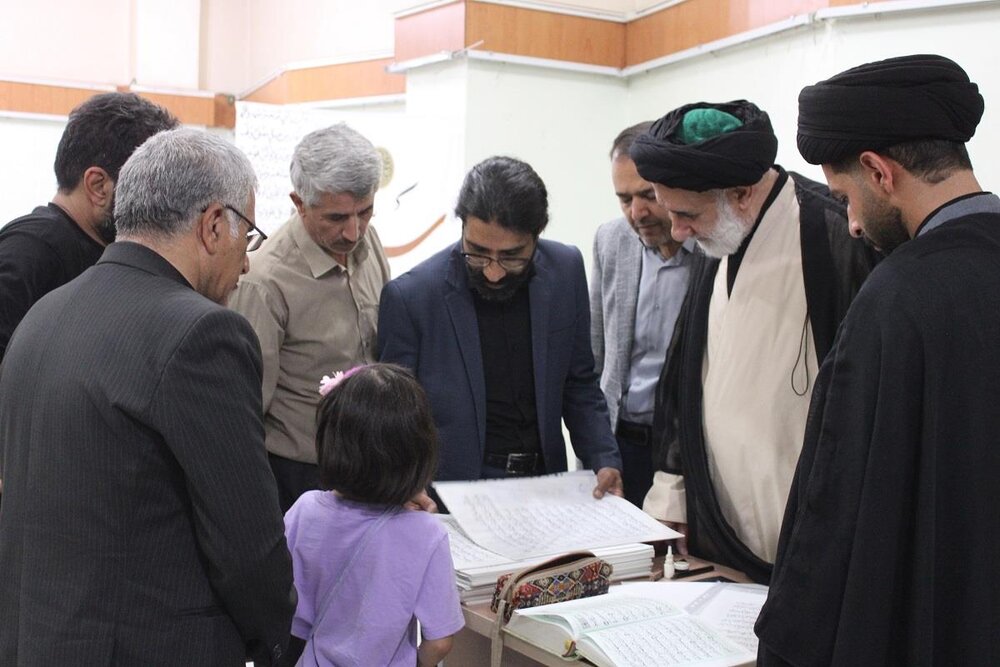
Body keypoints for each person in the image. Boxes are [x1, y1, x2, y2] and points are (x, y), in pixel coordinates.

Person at [0, 128, 295, 666]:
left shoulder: (44, 314)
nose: (247, 263)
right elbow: (246, 542)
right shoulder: (203, 333)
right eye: (248, 236)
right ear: (213, 224)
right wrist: (275, 641)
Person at [756, 54, 998, 666]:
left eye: (845, 198)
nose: (853, 225)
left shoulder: (897, 299)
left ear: (878, 171)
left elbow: (836, 504)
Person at [630, 100, 878, 582]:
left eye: (686, 214)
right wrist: (672, 496)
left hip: (816, 540)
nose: (678, 232)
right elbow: (683, 377)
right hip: (716, 533)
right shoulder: (719, 233)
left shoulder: (837, 233)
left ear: (741, 193)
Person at [378, 156, 623, 498]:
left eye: (511, 257)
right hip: (452, 492)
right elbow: (394, 418)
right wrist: (406, 487)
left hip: (546, 484)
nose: (493, 272)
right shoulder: (412, 297)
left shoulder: (565, 270)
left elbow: (579, 383)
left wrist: (603, 459)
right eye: (477, 253)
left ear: (537, 236)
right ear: (462, 226)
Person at [230, 124, 391, 512]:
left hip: (370, 464)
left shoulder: (369, 243)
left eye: (365, 212)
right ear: (299, 202)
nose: (353, 232)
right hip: (298, 478)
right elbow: (245, 412)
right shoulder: (264, 282)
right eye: (336, 217)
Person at [279, 364, 464, 667]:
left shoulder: (306, 510)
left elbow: (289, 613)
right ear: (419, 449)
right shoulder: (426, 533)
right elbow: (440, 641)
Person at [0, 91, 177, 360]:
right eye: (147, 189)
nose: (156, 206)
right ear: (98, 186)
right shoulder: (31, 250)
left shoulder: (106, 253)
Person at [591, 121, 696, 507]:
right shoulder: (611, 241)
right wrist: (597, 449)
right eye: (624, 199)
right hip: (619, 446)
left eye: (648, 195)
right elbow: (595, 353)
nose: (637, 213)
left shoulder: (713, 251)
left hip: (688, 451)